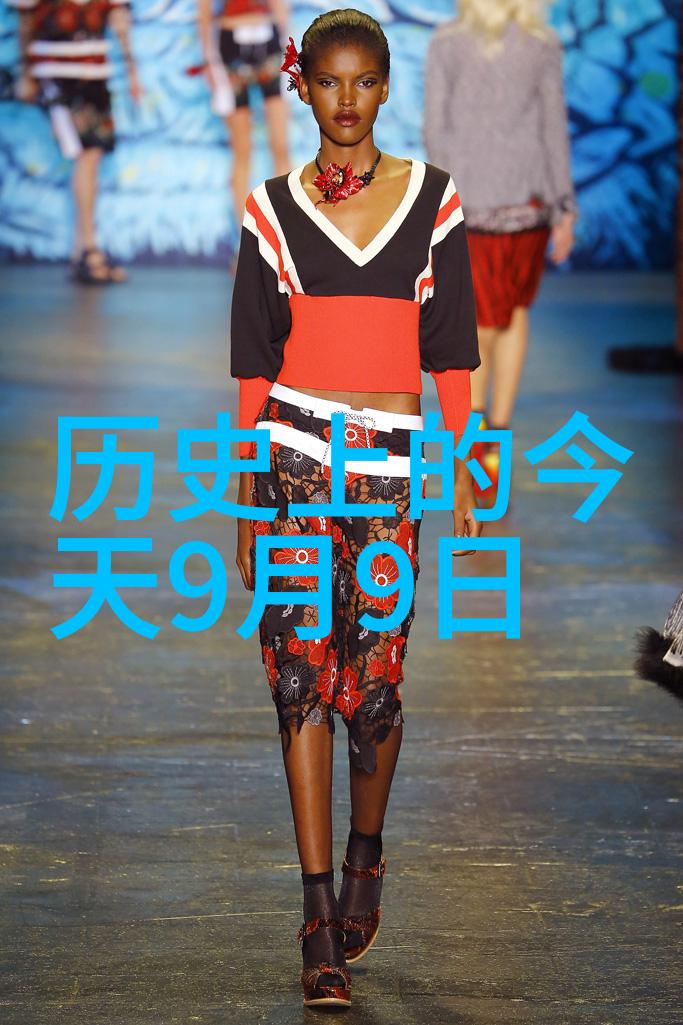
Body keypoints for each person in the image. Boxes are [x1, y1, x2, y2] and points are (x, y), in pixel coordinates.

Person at [230, 8, 482, 1008]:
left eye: (363, 81)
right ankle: (315, 919)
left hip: (390, 467)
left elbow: (450, 344)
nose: (345, 99)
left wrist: (465, 457)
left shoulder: (432, 198)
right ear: (302, 86)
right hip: (292, 456)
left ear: (383, 86)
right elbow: (253, 359)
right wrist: (243, 491)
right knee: (297, 677)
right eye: (327, 81)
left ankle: (365, 851)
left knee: (373, 687)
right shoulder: (269, 208)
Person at [424, 0, 577, 502]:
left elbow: (435, 131)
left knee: (491, 321)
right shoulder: (539, 43)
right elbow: (552, 128)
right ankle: (490, 442)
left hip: (481, 205)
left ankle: (481, 445)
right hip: (520, 204)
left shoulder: (450, 42)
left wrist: (441, 198)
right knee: (506, 316)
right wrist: (563, 204)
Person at [12, 0, 140, 284]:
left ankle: (83, 250)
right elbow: (26, 19)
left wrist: (132, 70)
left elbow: (119, 20)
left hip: (95, 73)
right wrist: (26, 73)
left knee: (92, 156)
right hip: (58, 75)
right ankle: (88, 250)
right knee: (87, 156)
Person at [197, 0, 290, 227]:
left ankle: (285, 232)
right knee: (242, 149)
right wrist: (209, 61)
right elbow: (204, 11)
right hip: (231, 47)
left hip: (269, 42)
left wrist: (289, 50)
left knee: (280, 145)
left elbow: (279, 5)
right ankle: (246, 236)